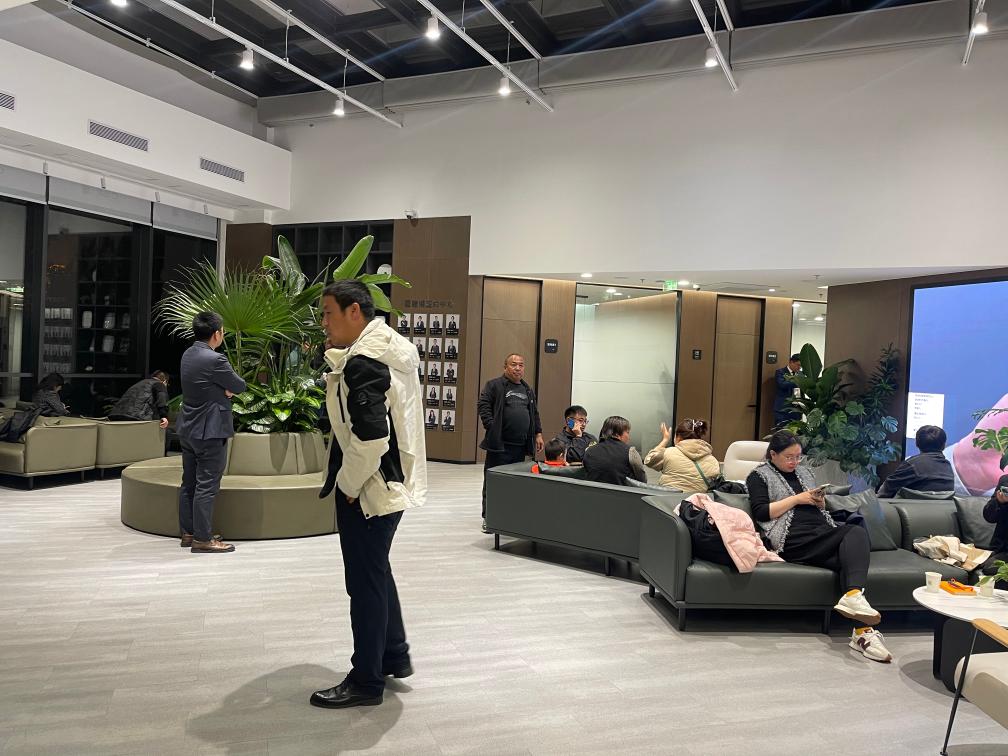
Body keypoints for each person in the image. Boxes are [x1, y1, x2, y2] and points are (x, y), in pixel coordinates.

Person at [310, 280, 426, 710]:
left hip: (369, 490)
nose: (324, 322)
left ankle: (365, 681)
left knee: (364, 583)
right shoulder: (390, 350)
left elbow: (373, 437)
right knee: (375, 573)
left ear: (354, 311)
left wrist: (347, 485)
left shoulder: (364, 362)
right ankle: (392, 654)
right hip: (390, 485)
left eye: (328, 313)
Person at [747, 430, 891, 663]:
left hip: (821, 531)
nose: (795, 462)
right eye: (789, 457)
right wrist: (797, 499)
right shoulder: (758, 475)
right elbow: (761, 512)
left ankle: (861, 629)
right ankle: (862, 628)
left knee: (849, 561)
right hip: (791, 538)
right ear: (773, 454)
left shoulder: (805, 472)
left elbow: (819, 507)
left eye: (798, 457)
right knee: (854, 532)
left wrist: (819, 502)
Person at [175, 312, 246, 554]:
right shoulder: (216, 359)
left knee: (189, 483)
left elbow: (202, 387)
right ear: (216, 334)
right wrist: (226, 390)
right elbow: (239, 385)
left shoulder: (188, 354)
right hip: (210, 430)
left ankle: (188, 533)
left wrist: (220, 389)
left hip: (188, 428)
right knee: (206, 485)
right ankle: (203, 539)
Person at [478, 353, 544, 532]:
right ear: (505, 367)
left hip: (520, 447)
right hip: (499, 446)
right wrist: (492, 426)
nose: (518, 368)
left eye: (521, 365)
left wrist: (538, 434)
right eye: (514, 364)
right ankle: (489, 518)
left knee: (514, 484)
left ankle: (508, 519)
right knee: (494, 482)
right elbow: (483, 406)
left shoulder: (527, 389)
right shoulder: (494, 385)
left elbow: (534, 413)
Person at [876, 425, 954, 498]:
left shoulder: (912, 464)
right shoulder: (948, 465)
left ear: (916, 443)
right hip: (943, 508)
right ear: (944, 446)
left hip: (910, 508)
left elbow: (885, 490)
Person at [644, 418, 720, 492]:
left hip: (669, 499)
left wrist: (665, 439)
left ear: (679, 438)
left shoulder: (668, 453)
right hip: (696, 500)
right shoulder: (713, 461)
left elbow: (649, 460)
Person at [582, 415, 647, 485]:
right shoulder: (630, 452)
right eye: (627, 432)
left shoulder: (589, 451)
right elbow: (642, 480)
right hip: (620, 491)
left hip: (593, 491)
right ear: (617, 434)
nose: (629, 437)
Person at [981, 473, 1008, 576]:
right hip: (1001, 548)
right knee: (989, 567)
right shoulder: (1005, 480)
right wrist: (999, 502)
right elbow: (989, 517)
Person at [773, 354, 803, 427]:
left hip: (796, 410)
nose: (799, 368)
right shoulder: (780, 372)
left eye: (801, 366)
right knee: (782, 431)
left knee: (795, 432)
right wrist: (796, 381)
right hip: (783, 410)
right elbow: (782, 385)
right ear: (791, 362)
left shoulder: (801, 374)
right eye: (798, 365)